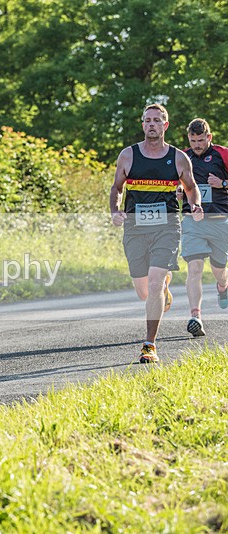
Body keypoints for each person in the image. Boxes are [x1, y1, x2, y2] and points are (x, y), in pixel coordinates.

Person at [110, 103, 203, 363]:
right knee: (144, 291)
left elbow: (191, 187)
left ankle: (149, 345)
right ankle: (164, 288)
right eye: (148, 120)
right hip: (135, 229)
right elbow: (117, 188)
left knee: (154, 284)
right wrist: (115, 211)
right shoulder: (128, 155)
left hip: (167, 228)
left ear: (165, 125)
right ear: (143, 125)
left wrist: (195, 204)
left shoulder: (178, 158)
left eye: (157, 120)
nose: (152, 124)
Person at [178, 118, 228, 337]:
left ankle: (223, 286)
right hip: (193, 221)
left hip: (219, 220)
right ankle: (195, 316)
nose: (197, 145)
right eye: (193, 140)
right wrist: (177, 193)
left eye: (201, 140)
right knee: (195, 267)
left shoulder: (222, 154)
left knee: (219, 270)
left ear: (209, 137)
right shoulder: (182, 157)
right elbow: (173, 185)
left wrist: (223, 183)